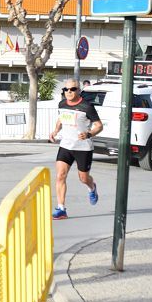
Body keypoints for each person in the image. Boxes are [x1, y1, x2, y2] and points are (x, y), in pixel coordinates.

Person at [48, 78, 103, 219]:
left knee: (83, 178)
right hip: (66, 145)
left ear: (78, 91)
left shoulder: (87, 107)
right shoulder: (62, 104)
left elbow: (99, 125)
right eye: (66, 89)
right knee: (60, 175)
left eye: (72, 89)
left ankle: (92, 187)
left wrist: (89, 134)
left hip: (83, 147)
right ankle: (61, 209)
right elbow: (61, 119)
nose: (69, 92)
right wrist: (55, 131)